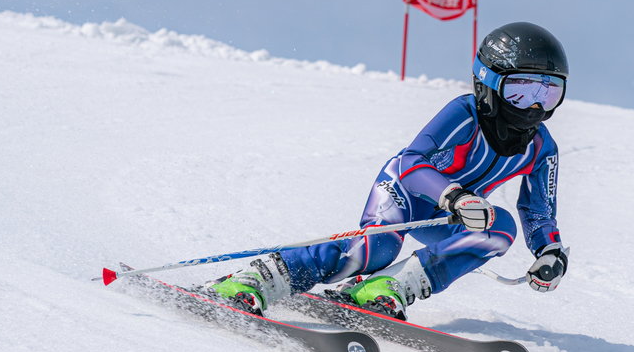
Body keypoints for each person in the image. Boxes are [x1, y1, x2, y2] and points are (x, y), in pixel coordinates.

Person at [212, 21, 570, 319]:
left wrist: (549, 252)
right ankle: (256, 279)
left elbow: (538, 211)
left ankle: (389, 286)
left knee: (499, 227)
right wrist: (454, 197)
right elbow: (412, 161)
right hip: (408, 192)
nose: (536, 106)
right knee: (376, 249)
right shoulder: (465, 115)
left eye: (549, 92)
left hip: (457, 214)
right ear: (488, 81)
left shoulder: (542, 147)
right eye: (520, 91)